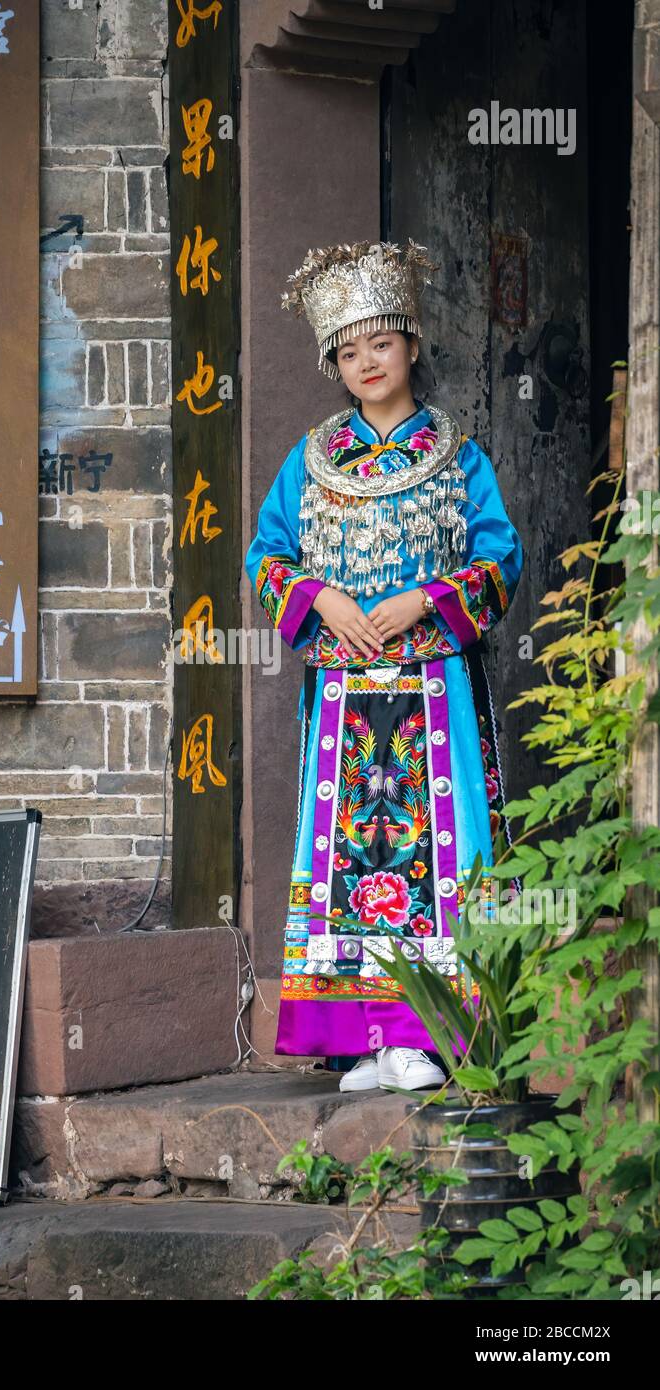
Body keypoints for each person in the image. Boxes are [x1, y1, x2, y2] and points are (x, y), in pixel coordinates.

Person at [244, 240, 524, 1092]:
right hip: (344, 698)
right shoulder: (312, 459)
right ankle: (364, 1038)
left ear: (410, 345)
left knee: (441, 852)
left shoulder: (458, 453)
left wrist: (425, 602)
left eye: (381, 343)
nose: (366, 362)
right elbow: (267, 554)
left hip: (433, 692)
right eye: (348, 350)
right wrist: (322, 600)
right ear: (335, 361)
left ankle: (431, 1034)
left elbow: (500, 558)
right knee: (348, 854)